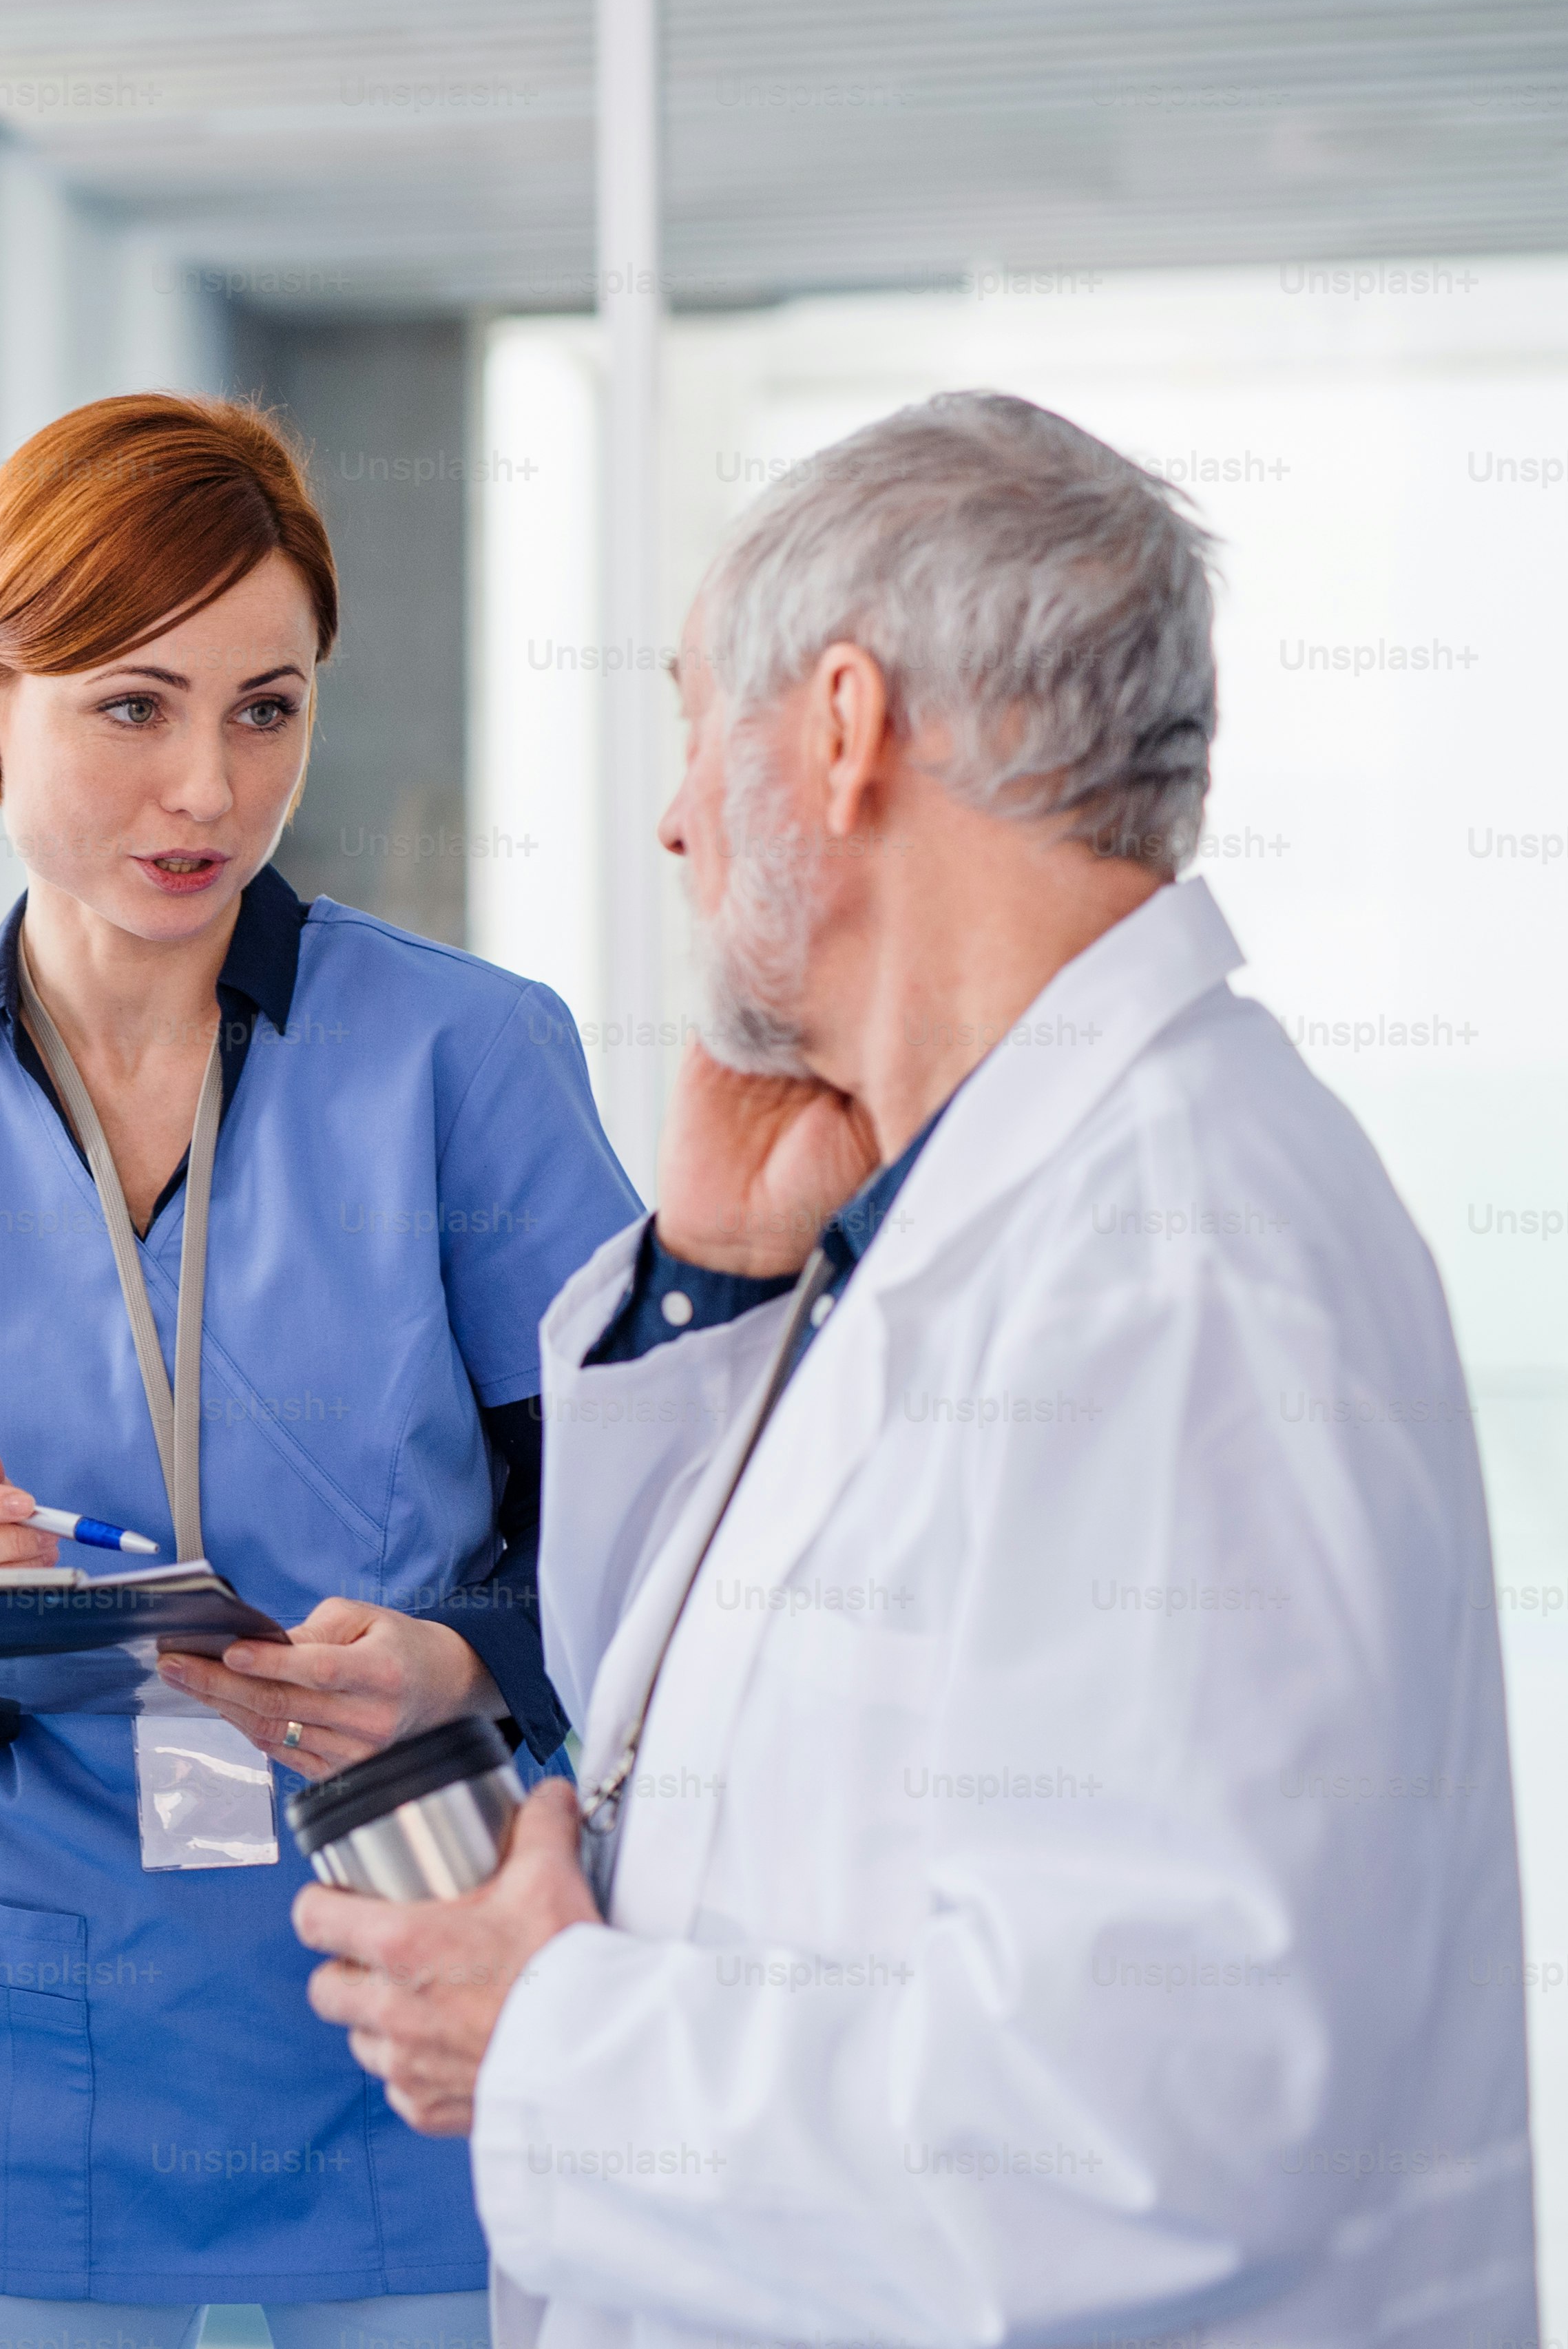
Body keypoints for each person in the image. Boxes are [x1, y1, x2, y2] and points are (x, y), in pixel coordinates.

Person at [286, 393, 1535, 2346]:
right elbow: (721, 1748)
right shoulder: (984, 1198)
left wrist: (555, 2043)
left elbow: (1147, 2124)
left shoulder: (1174, 1261)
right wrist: (709, 1289)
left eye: (700, 721)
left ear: (843, 730)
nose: (676, 814)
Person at [0, 393, 640, 2344]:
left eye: (262, 707)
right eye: (131, 706)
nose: (205, 787)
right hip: (5, 2016)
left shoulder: (466, 1062)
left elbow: (641, 1551)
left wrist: (462, 1659)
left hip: (404, 1960)